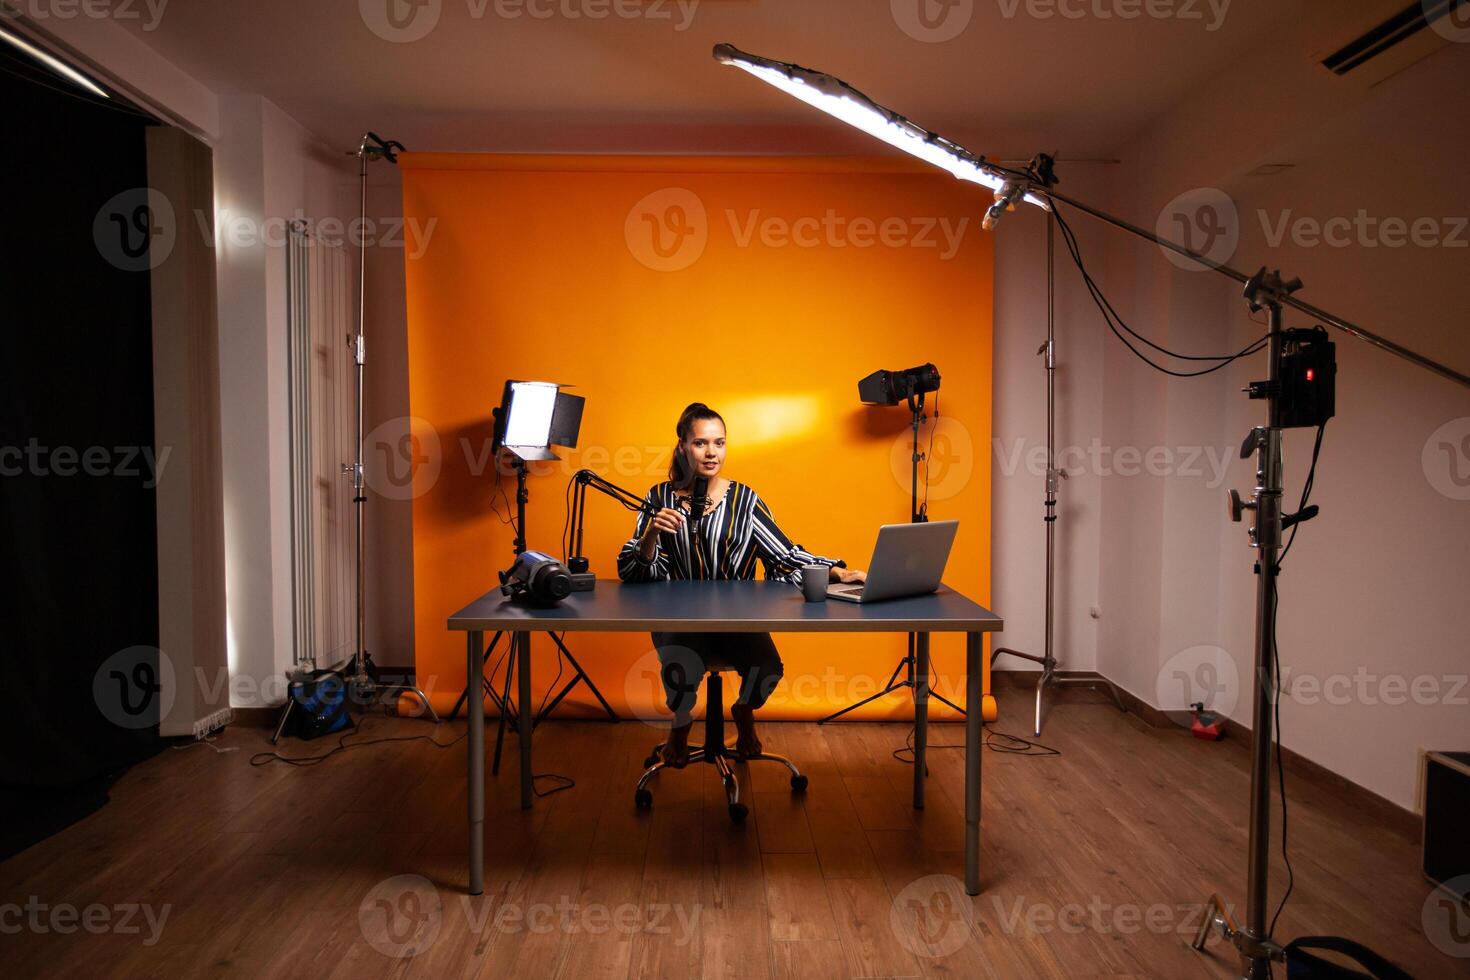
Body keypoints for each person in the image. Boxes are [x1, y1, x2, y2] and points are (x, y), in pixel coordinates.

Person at [617, 402, 866, 768]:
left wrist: (837, 572)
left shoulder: (745, 500)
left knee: (767, 669)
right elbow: (634, 571)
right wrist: (651, 534)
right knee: (681, 668)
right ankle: (681, 723)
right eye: (701, 443)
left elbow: (785, 555)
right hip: (680, 619)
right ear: (683, 446)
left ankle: (744, 711)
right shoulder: (659, 498)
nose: (711, 452)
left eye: (719, 443)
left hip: (738, 619)